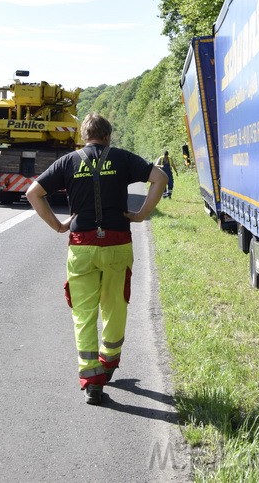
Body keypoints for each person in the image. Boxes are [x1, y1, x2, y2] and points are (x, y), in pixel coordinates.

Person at [26, 113, 167, 405]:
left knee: (84, 313)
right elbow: (160, 178)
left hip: (82, 245)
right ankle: (109, 362)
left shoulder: (68, 161)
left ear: (83, 136)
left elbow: (33, 193)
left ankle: (91, 380)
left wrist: (57, 225)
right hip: (117, 242)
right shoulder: (123, 158)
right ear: (108, 136)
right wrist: (141, 214)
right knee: (115, 306)